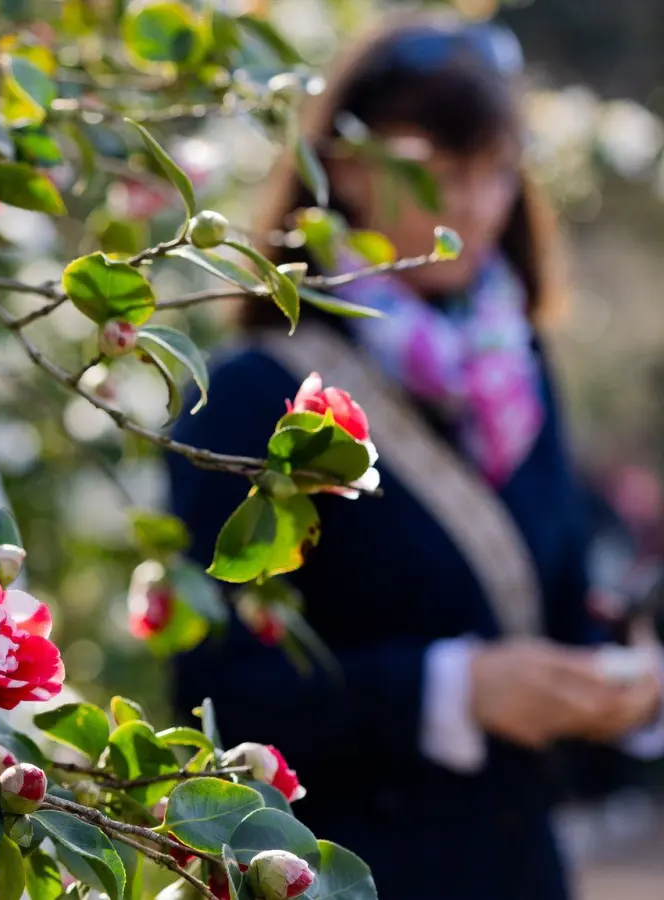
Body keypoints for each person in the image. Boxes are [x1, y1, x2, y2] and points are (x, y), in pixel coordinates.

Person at [167, 16, 664, 900]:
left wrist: (617, 684)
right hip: (348, 872)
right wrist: (451, 691)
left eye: (497, 171)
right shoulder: (250, 391)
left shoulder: (519, 368)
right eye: (437, 174)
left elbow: (549, 607)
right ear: (348, 169)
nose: (473, 206)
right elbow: (217, 697)